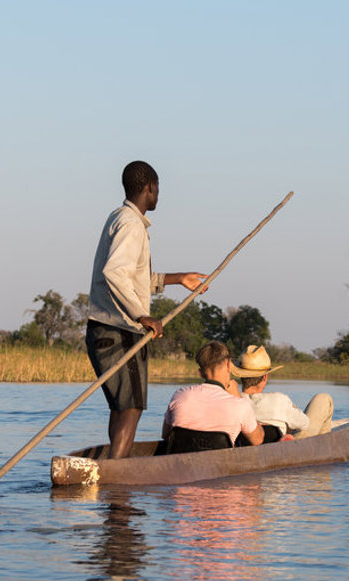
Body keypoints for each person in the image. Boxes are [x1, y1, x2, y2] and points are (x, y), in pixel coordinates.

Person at [87, 160, 208, 459]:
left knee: (122, 408)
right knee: (131, 407)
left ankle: (114, 468)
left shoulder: (121, 218)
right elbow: (115, 273)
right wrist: (142, 316)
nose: (158, 196)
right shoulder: (130, 224)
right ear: (149, 188)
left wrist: (179, 279)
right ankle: (116, 479)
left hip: (105, 329)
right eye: (158, 189)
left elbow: (133, 279)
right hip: (120, 331)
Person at [161, 341, 264, 451]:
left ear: (200, 373)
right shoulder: (240, 405)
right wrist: (238, 396)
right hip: (221, 466)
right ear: (228, 366)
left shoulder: (179, 395)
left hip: (182, 464)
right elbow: (257, 440)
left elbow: (165, 434)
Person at [232, 345, 333, 442]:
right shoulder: (280, 400)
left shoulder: (232, 401)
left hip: (248, 446)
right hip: (282, 449)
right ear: (265, 377)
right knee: (323, 398)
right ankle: (323, 447)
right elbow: (304, 423)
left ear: (241, 376)